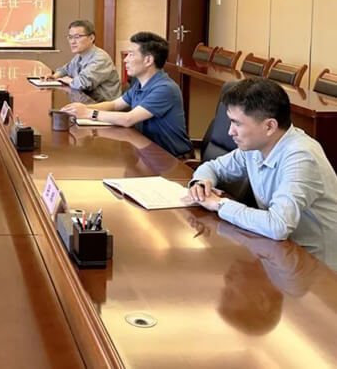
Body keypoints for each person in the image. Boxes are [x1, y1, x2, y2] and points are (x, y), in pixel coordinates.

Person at [187, 78, 337, 271]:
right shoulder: (255, 147)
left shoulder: (301, 156)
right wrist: (200, 183)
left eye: (237, 123)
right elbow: (213, 167)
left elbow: (278, 225)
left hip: (317, 270)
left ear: (269, 126)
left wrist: (220, 204)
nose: (230, 131)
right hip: (279, 254)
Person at [61, 31, 192, 157]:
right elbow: (114, 105)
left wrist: (89, 113)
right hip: (146, 152)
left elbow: (128, 119)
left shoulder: (165, 88)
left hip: (170, 158)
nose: (125, 60)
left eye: (131, 54)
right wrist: (80, 109)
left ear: (148, 60)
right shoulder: (140, 84)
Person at [50, 20, 121, 103]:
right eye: (70, 37)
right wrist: (54, 76)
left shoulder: (100, 58)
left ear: (91, 38)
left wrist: (68, 80)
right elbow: (66, 70)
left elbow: (82, 83)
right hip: (86, 102)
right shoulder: (80, 55)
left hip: (103, 106)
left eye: (77, 37)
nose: (72, 42)